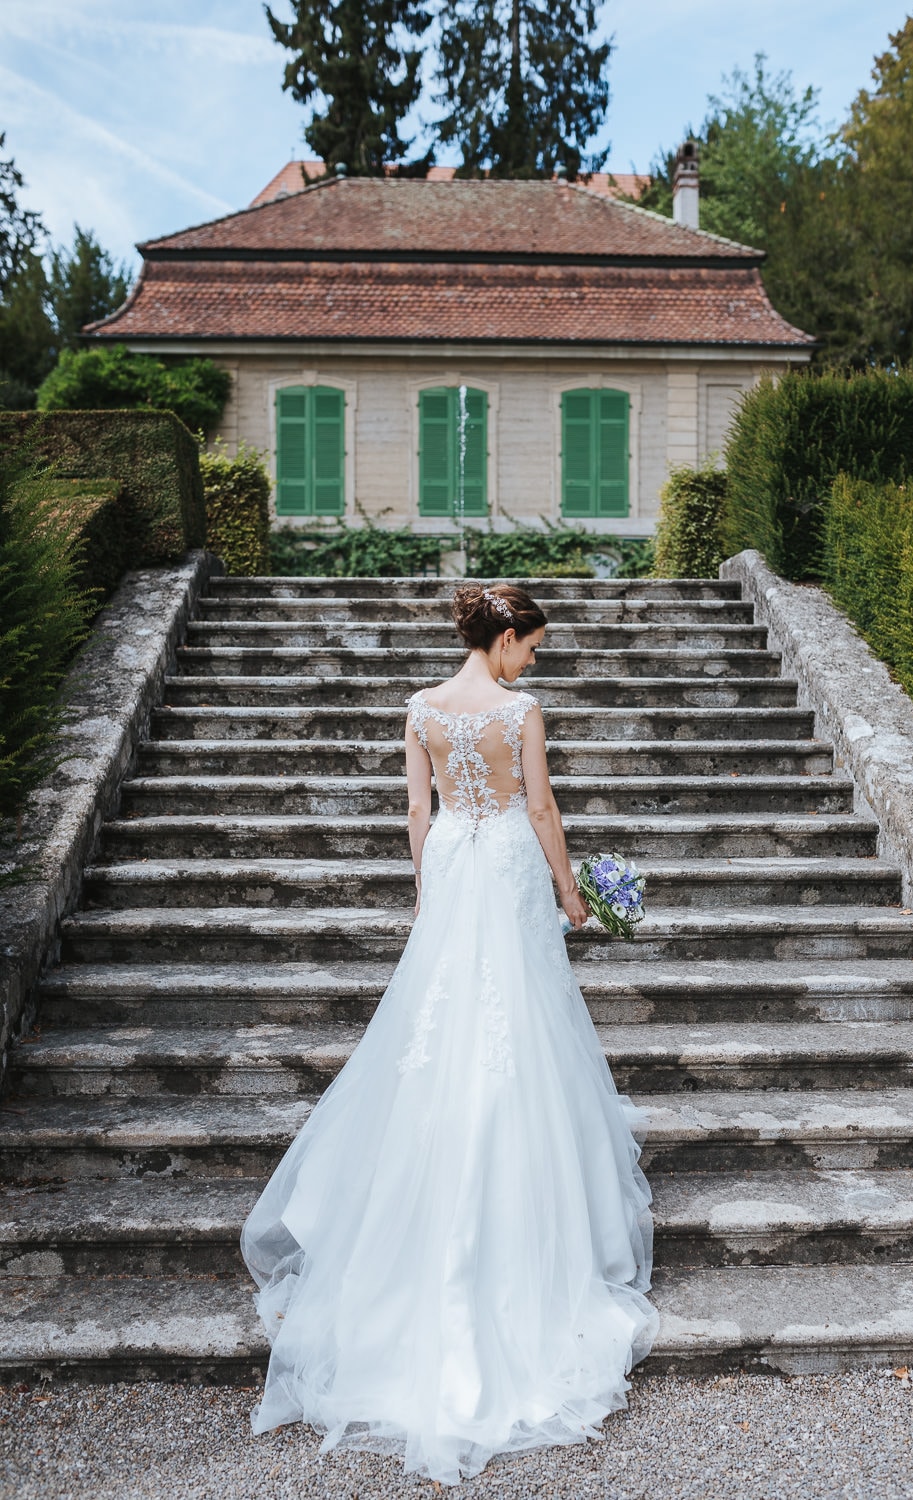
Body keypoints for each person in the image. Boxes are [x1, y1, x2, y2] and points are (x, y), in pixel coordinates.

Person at [241, 581, 659, 1486]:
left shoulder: (422, 709)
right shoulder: (520, 712)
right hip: (508, 863)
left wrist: (429, 896)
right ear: (505, 639)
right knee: (520, 1031)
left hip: (457, 871)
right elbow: (543, 810)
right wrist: (570, 892)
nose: (536, 660)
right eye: (533, 645)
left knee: (440, 1035)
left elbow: (417, 815)